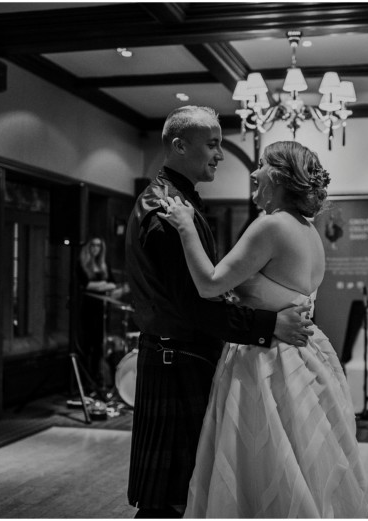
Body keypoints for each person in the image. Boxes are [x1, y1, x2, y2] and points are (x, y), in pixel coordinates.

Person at [159, 140, 368, 518]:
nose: (253, 173)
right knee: (302, 462)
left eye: (259, 165)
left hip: (266, 360)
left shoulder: (270, 226)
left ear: (276, 176)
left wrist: (184, 227)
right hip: (308, 356)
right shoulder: (309, 231)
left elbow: (210, 284)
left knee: (265, 463)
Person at [124, 106, 313, 518]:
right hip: (177, 360)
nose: (221, 155)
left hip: (184, 356)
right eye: (212, 144)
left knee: (187, 491)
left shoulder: (181, 203)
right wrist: (269, 324)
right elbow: (196, 305)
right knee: (172, 498)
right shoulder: (166, 213)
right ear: (179, 146)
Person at [77, 236, 122, 395]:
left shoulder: (104, 265)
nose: (96, 248)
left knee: (98, 347)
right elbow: (85, 285)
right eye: (93, 245)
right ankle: (85, 383)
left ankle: (97, 381)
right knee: (86, 346)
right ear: (88, 247)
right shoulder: (82, 264)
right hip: (87, 310)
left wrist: (99, 286)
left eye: (99, 245)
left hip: (101, 310)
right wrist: (102, 285)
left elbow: (112, 283)